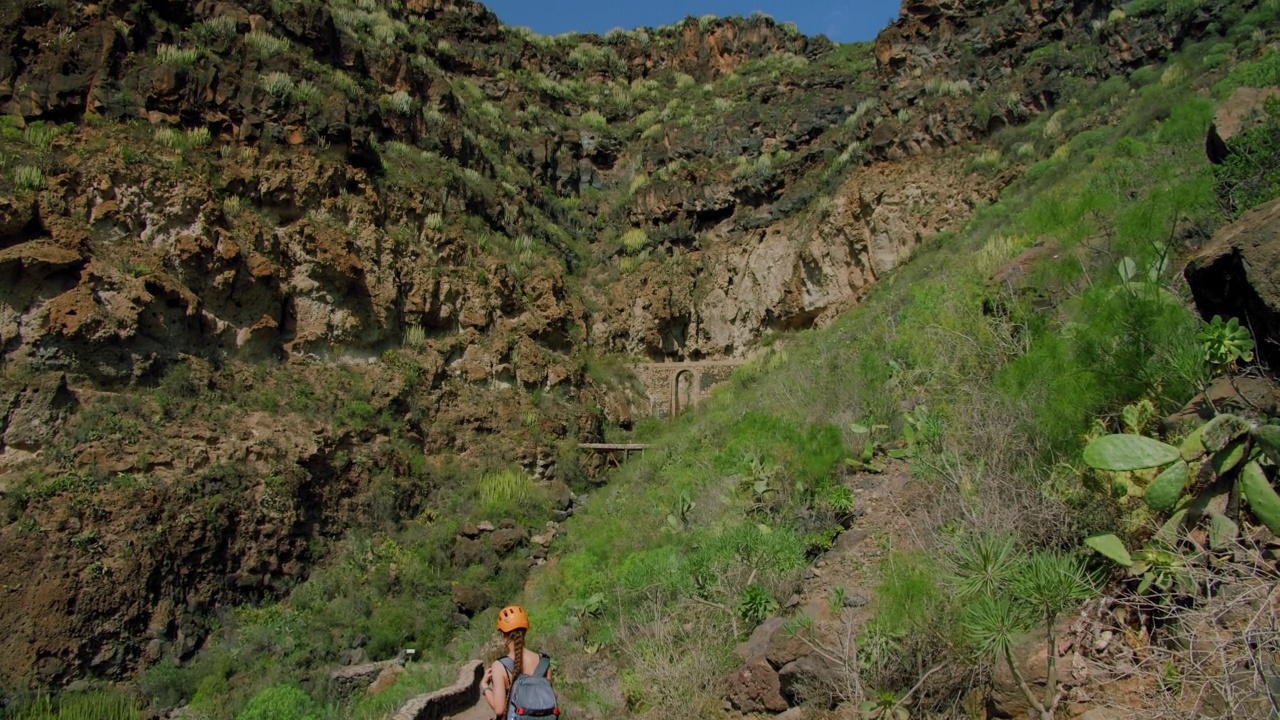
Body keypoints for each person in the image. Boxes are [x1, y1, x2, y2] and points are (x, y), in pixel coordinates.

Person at [481, 605, 558, 719]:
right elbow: (551, 696)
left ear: (503, 634)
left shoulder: (500, 666)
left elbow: (499, 710)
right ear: (525, 630)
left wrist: (485, 686)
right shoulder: (544, 662)